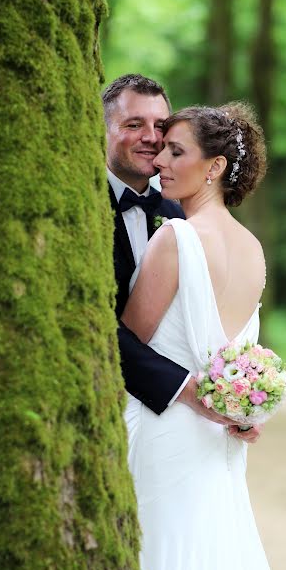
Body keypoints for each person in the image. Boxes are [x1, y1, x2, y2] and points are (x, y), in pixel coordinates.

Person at [121, 102, 271, 570]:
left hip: (163, 428)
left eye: (175, 151)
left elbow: (126, 343)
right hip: (216, 439)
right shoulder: (253, 249)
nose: (160, 161)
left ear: (215, 167)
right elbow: (239, 358)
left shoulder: (176, 239)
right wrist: (244, 406)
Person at [102, 74, 260, 440]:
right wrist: (190, 391)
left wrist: (240, 402)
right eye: (133, 124)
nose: (151, 138)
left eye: (160, 126)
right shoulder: (76, 207)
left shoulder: (180, 218)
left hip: (186, 425)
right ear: (103, 129)